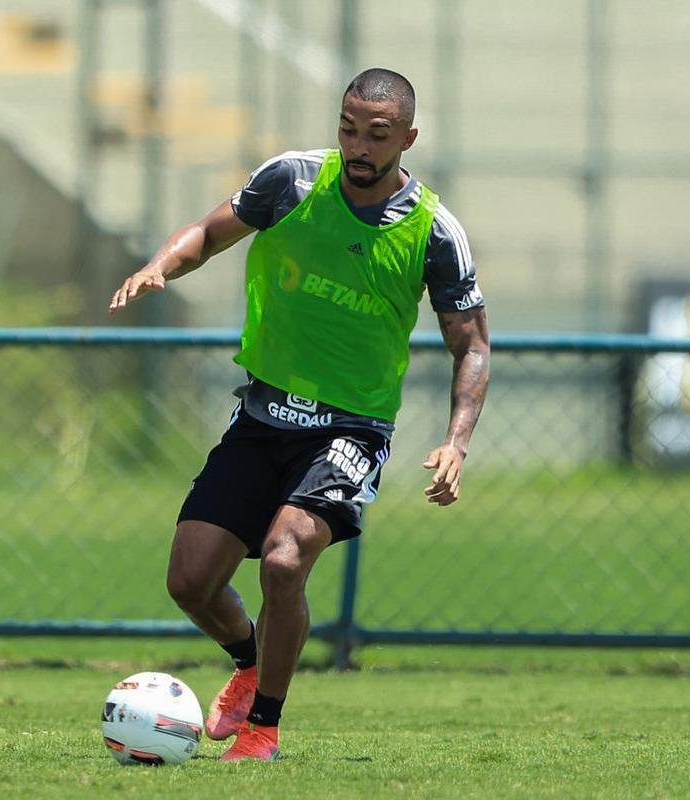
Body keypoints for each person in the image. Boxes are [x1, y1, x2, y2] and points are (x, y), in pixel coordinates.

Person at [109, 68, 489, 762]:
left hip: (350, 428)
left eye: (377, 136)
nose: (359, 147)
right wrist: (161, 265)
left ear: (407, 137)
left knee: (284, 562)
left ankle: (263, 729)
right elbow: (207, 232)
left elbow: (472, 345)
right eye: (348, 129)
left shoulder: (434, 230)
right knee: (189, 581)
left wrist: (456, 442)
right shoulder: (290, 181)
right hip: (262, 414)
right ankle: (249, 667)